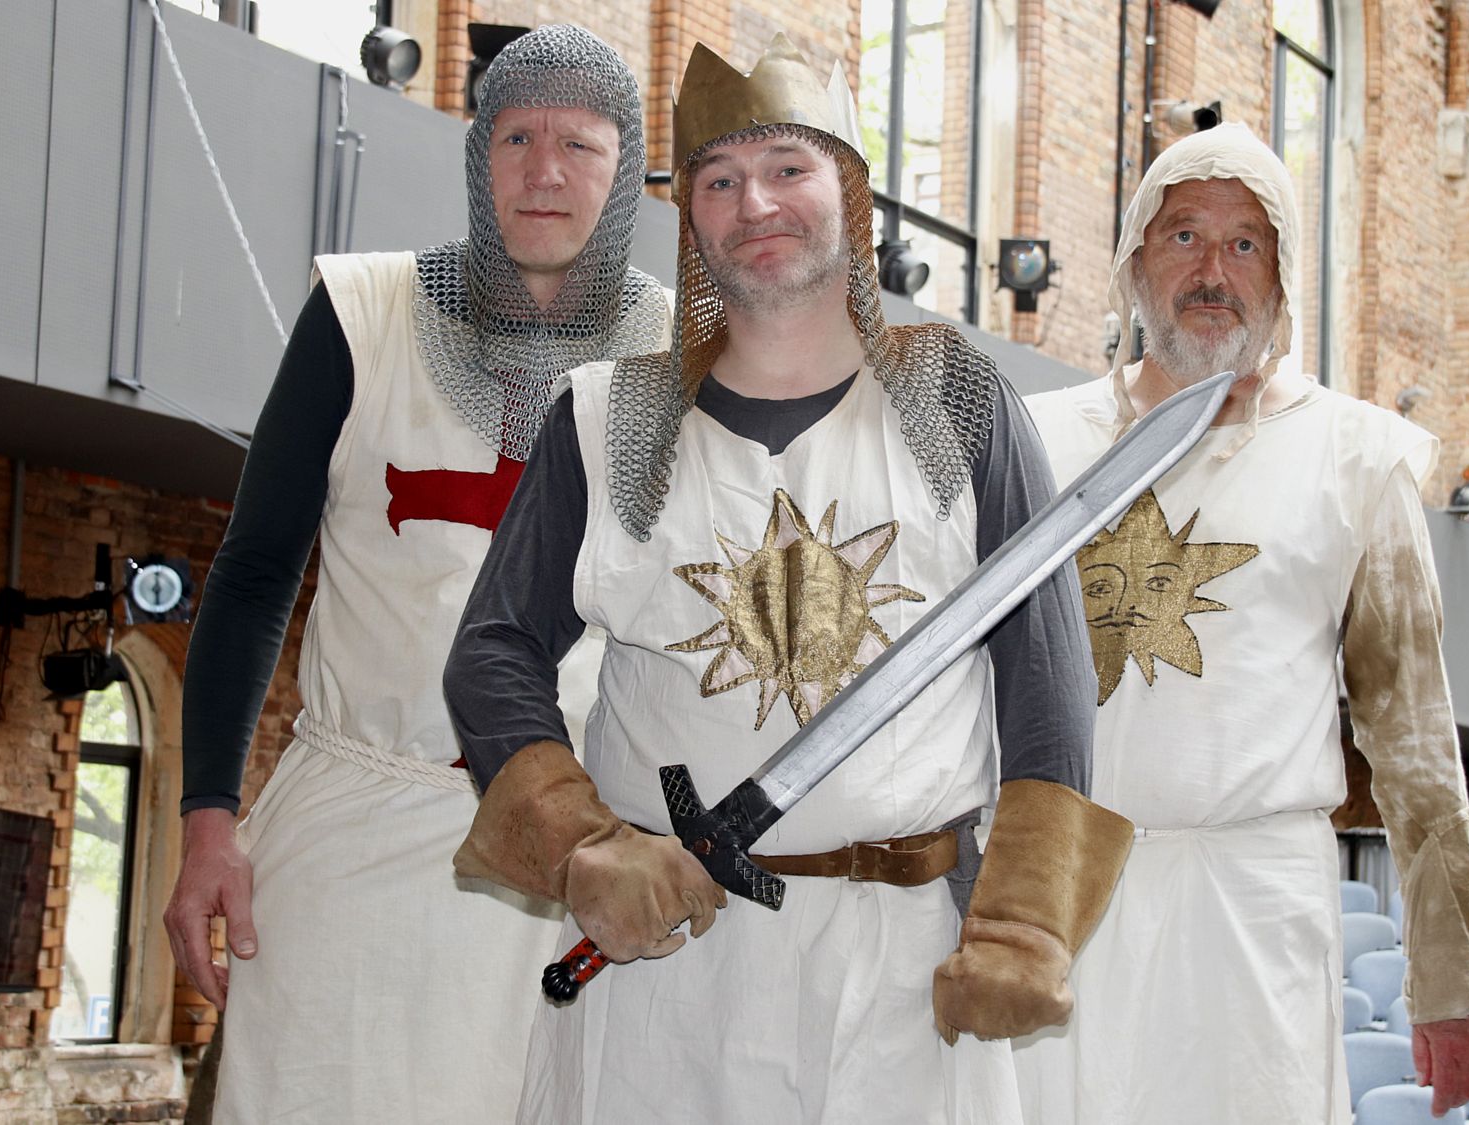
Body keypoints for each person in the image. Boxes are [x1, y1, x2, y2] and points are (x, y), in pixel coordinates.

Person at [442, 34, 1132, 1125]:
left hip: (899, 967)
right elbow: (493, 648)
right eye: (719, 179)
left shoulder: (953, 398)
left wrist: (1023, 922)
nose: (754, 202)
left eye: (787, 169)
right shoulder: (606, 418)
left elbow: (1040, 668)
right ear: (689, 217)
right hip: (667, 966)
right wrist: (582, 849)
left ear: (847, 194)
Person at [162, 25, 667, 1123]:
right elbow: (252, 576)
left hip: (566, 860)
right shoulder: (363, 313)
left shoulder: (671, 362)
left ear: (624, 170)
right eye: (517, 137)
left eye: (578, 144)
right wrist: (208, 821)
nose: (544, 170)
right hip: (353, 829)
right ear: (477, 155)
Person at [1015, 122, 1469, 1123]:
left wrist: (1453, 980)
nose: (1213, 270)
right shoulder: (1036, 441)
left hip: (1253, 906)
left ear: (1282, 276)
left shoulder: (1355, 456)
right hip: (1058, 904)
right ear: (1131, 265)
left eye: (1245, 242)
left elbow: (1411, 738)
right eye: (1183, 236)